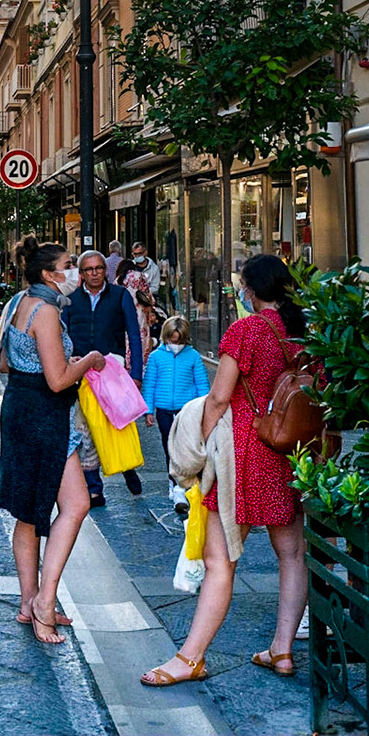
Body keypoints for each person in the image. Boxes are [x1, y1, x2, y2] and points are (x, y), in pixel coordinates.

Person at [141, 255, 311, 686]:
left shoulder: (246, 330)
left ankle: (190, 657)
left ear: (250, 290)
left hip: (245, 454)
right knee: (291, 555)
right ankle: (283, 650)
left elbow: (219, 398)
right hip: (291, 454)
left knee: (220, 562)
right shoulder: (303, 332)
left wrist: (194, 448)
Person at [0, 236, 104, 644]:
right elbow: (58, 379)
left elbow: (6, 361)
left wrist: (54, 363)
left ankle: (30, 602)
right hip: (46, 414)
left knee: (28, 511)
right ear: (49, 274)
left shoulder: (18, 303)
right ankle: (44, 602)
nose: (74, 270)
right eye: (68, 264)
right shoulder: (45, 312)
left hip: (21, 408)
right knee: (75, 505)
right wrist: (89, 361)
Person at [64, 250, 148, 504]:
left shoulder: (121, 296)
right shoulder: (69, 300)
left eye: (99, 268)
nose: (94, 274)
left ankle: (127, 467)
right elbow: (63, 336)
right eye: (88, 270)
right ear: (81, 274)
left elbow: (133, 335)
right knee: (86, 429)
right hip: (80, 374)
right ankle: (94, 487)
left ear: (105, 270)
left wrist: (136, 374)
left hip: (112, 370)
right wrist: (67, 361)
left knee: (118, 423)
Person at [142, 315, 208, 490]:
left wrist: (205, 409)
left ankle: (187, 479)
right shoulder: (156, 357)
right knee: (168, 444)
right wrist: (148, 410)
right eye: (172, 341)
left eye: (179, 342)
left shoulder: (193, 356)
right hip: (163, 409)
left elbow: (201, 383)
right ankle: (173, 481)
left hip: (187, 409)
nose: (176, 345)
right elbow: (149, 384)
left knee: (186, 445)